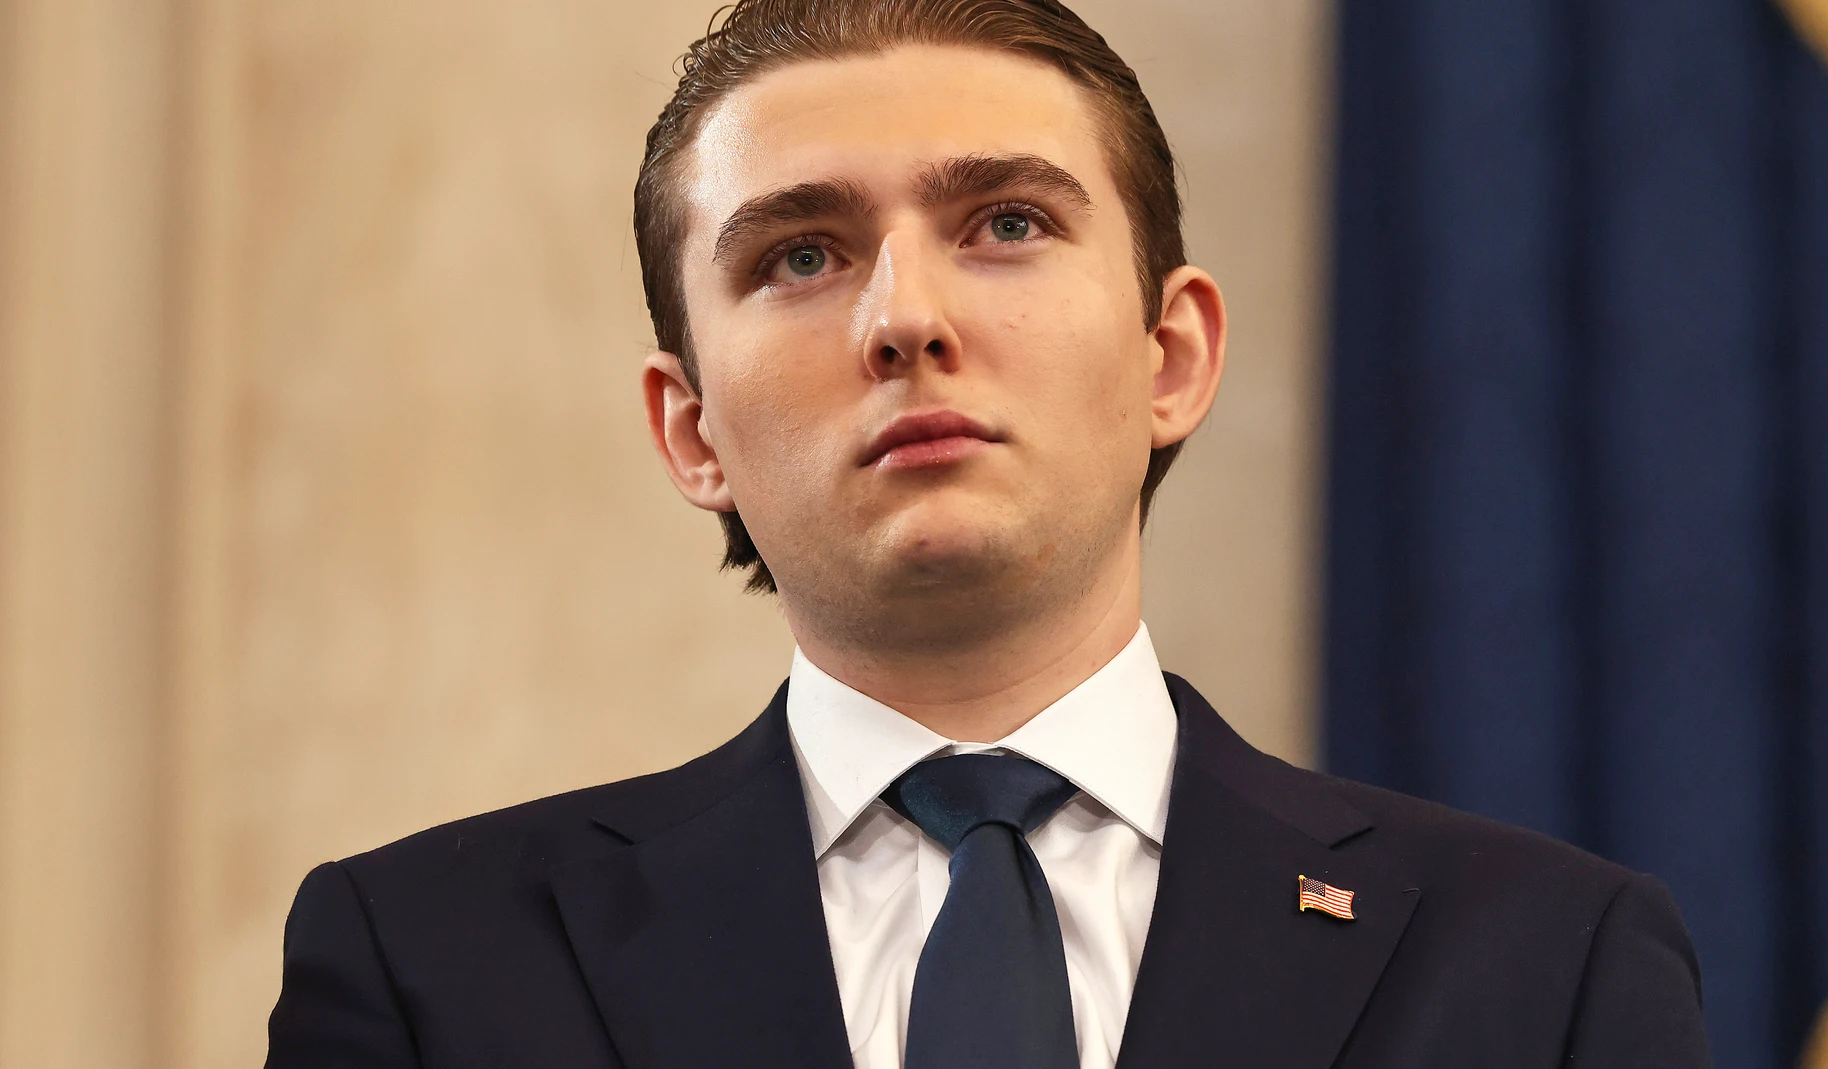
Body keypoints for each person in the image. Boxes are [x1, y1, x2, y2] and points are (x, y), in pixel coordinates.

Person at [263, 1, 1713, 1066]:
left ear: (1171, 355)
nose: (906, 317)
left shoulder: (1546, 965)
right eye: (802, 255)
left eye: (1007, 223)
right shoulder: (425, 968)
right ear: (691, 429)